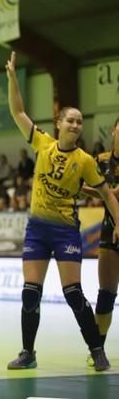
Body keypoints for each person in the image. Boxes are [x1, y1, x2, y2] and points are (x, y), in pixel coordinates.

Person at [3, 51, 119, 372]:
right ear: (59, 123)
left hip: (66, 230)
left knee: (73, 293)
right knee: (30, 293)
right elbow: (17, 111)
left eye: (80, 121)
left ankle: (96, 349)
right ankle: (28, 353)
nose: (76, 125)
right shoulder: (41, 143)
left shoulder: (85, 160)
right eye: (70, 120)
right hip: (37, 230)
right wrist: (13, 79)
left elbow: (107, 194)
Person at [83, 116, 119, 361]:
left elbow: (110, 193)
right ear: (113, 130)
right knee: (106, 293)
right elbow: (88, 184)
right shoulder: (101, 160)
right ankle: (98, 349)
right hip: (109, 230)